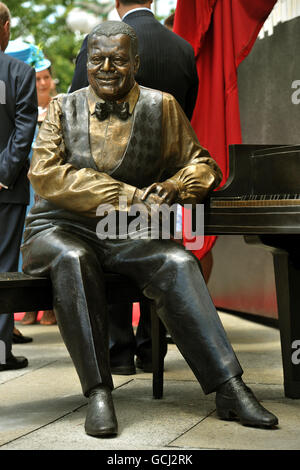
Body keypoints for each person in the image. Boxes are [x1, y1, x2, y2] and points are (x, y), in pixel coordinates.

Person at [21, 21, 278, 436]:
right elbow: (46, 175)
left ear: (136, 63)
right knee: (75, 257)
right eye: (96, 59)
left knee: (177, 261)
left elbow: (204, 165)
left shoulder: (163, 107)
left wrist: (177, 184)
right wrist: (129, 195)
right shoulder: (61, 108)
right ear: (85, 62)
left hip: (126, 231)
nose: (106, 68)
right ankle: (99, 392)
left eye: (118, 60)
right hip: (57, 228)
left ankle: (230, 387)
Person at [69, 0, 200, 375]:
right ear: (153, 2)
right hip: (162, 184)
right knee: (158, 259)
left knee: (111, 260)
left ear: (116, 3)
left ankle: (119, 352)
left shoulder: (101, 42)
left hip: (108, 179)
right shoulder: (183, 48)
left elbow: (81, 109)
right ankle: (151, 349)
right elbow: (185, 114)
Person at [0, 2, 37, 369]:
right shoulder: (19, 72)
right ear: (6, 27)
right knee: (4, 267)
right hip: (6, 189)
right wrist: (4, 173)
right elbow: (25, 128)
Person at [19, 45, 57, 327]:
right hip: (26, 184)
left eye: (46, 77)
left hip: (51, 186)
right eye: (37, 78)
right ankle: (28, 304)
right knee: (25, 242)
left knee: (48, 240)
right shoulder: (23, 107)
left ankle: (51, 306)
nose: (43, 83)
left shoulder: (61, 105)